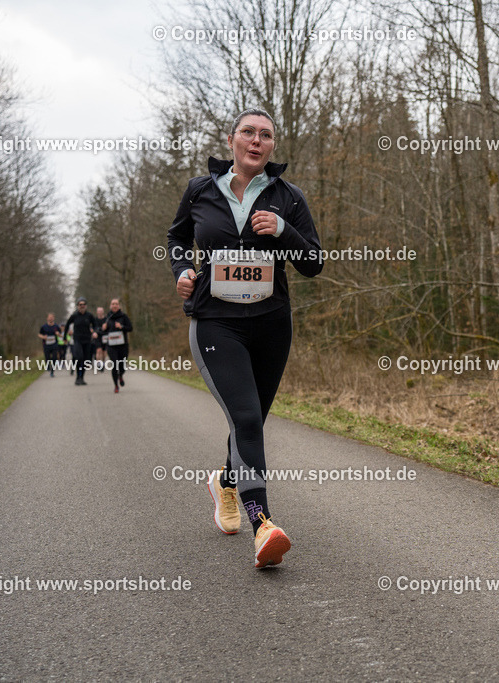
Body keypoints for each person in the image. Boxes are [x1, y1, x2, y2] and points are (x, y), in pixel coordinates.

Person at [167, 108, 322, 568]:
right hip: (216, 323)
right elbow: (177, 238)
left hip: (272, 325)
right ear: (232, 139)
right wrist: (182, 270)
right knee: (248, 420)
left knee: (250, 423)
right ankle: (263, 525)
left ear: (273, 145)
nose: (257, 140)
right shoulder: (200, 190)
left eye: (266, 135)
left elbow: (313, 263)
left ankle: (225, 482)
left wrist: (284, 230)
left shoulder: (288, 196)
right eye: (248, 132)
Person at [64, 298, 98, 385]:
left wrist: (95, 332)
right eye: (80, 305)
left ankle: (81, 377)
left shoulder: (89, 315)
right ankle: (78, 377)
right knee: (79, 357)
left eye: (83, 304)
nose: (82, 306)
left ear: (86, 306)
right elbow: (67, 325)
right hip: (77, 340)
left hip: (87, 340)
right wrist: (65, 337)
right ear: (78, 306)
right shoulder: (74, 315)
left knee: (86, 360)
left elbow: (95, 325)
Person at [102, 298, 132, 393]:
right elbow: (102, 331)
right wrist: (103, 328)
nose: (114, 305)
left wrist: (121, 326)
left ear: (119, 306)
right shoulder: (107, 317)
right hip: (111, 346)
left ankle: (120, 375)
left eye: (116, 304)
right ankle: (116, 385)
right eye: (113, 304)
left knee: (122, 366)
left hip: (123, 345)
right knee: (115, 365)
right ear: (110, 306)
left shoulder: (124, 316)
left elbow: (130, 328)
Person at [94, 306, 108, 373]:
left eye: (101, 311)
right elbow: (92, 327)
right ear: (97, 312)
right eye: (98, 311)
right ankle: (99, 364)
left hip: (105, 336)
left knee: (104, 351)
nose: (100, 312)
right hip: (97, 336)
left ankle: (103, 362)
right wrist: (93, 332)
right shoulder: (94, 320)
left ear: (103, 312)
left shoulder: (106, 319)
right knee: (98, 350)